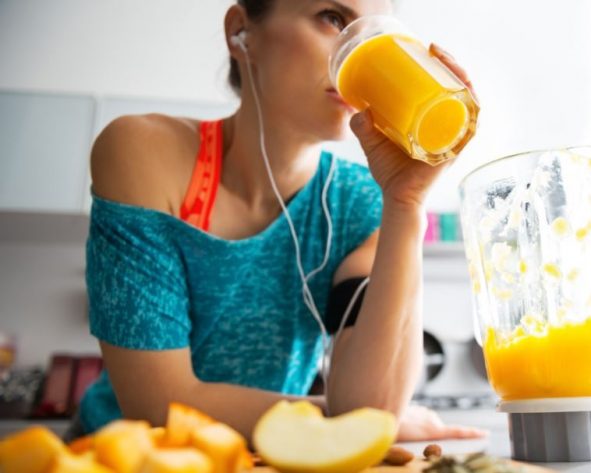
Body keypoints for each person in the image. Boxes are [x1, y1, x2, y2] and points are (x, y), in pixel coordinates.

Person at [74, 0, 485, 443]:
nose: (358, 49)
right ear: (240, 32)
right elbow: (157, 404)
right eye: (333, 18)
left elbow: (370, 409)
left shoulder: (362, 202)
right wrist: (341, 420)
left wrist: (406, 203)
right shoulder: (145, 152)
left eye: (377, 34)